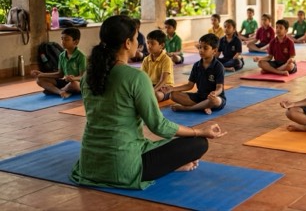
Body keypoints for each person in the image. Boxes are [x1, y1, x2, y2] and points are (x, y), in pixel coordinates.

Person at [69, 15, 226, 190]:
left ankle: (166, 163)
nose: (139, 43)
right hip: (123, 166)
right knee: (199, 143)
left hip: (89, 164)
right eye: (137, 38)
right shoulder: (136, 78)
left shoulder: (88, 75)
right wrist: (198, 131)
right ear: (128, 43)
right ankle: (169, 166)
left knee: (152, 144)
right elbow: (159, 126)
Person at [162, 34, 226, 114]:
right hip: (199, 96)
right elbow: (189, 85)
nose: (201, 50)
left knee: (215, 101)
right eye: (200, 47)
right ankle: (203, 106)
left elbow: (220, 87)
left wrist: (214, 93)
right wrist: (172, 88)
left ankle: (187, 108)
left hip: (214, 97)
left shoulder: (218, 66)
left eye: (205, 48)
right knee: (173, 95)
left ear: (215, 51)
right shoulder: (196, 65)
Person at [31, 27, 85, 98]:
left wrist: (74, 78)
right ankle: (61, 92)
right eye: (62, 39)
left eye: (67, 39)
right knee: (39, 80)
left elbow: (83, 77)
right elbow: (60, 74)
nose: (63, 42)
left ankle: (55, 90)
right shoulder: (62, 55)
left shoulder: (81, 56)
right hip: (65, 82)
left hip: (77, 83)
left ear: (76, 42)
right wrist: (42, 74)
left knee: (74, 84)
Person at [141, 30, 174, 102]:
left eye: (152, 43)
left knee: (157, 95)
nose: (149, 46)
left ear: (161, 45)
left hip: (164, 87)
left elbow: (163, 80)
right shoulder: (146, 59)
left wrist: (151, 91)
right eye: (148, 43)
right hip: (151, 86)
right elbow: (143, 77)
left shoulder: (166, 59)